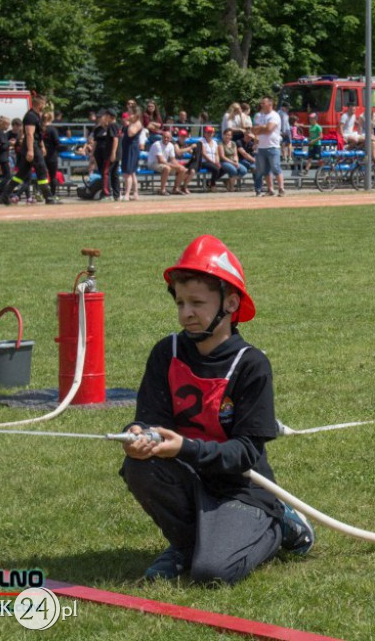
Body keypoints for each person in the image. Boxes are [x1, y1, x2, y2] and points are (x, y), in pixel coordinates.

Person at [120, 235, 315, 584]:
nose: (186, 313)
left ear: (230, 302)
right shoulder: (167, 353)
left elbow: (245, 452)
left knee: (213, 573)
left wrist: (186, 447)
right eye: (180, 302)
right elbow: (151, 417)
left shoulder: (251, 364)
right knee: (139, 466)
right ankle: (184, 546)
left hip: (240, 487)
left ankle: (275, 524)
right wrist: (138, 434)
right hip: (186, 476)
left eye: (197, 302)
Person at [252, 96, 285, 196]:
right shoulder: (260, 116)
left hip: (272, 146)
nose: (261, 105)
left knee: (275, 168)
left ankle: (281, 189)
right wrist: (262, 127)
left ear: (270, 104)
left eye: (263, 103)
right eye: (261, 103)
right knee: (265, 170)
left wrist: (261, 128)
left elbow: (269, 130)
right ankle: (270, 189)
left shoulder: (274, 116)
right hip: (261, 146)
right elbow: (253, 130)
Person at [147, 130, 192, 195]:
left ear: (170, 138)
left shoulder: (170, 145)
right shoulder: (157, 144)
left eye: (168, 137)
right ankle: (162, 190)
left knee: (183, 169)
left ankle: (175, 189)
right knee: (167, 168)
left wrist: (179, 166)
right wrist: (175, 166)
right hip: (153, 163)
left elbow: (173, 159)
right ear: (162, 137)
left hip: (163, 163)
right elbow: (160, 160)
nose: (166, 139)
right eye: (164, 137)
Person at [120, 108, 144, 201]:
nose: (129, 116)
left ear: (136, 115)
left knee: (128, 173)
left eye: (131, 114)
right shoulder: (132, 123)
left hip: (131, 149)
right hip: (127, 148)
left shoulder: (136, 123)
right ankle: (135, 193)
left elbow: (130, 133)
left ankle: (127, 194)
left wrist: (128, 124)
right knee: (132, 173)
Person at [42, 111, 63, 200]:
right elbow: (57, 143)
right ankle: (52, 194)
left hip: (41, 155)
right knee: (52, 176)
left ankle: (42, 193)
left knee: (42, 176)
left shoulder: (40, 128)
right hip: (51, 155)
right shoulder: (52, 129)